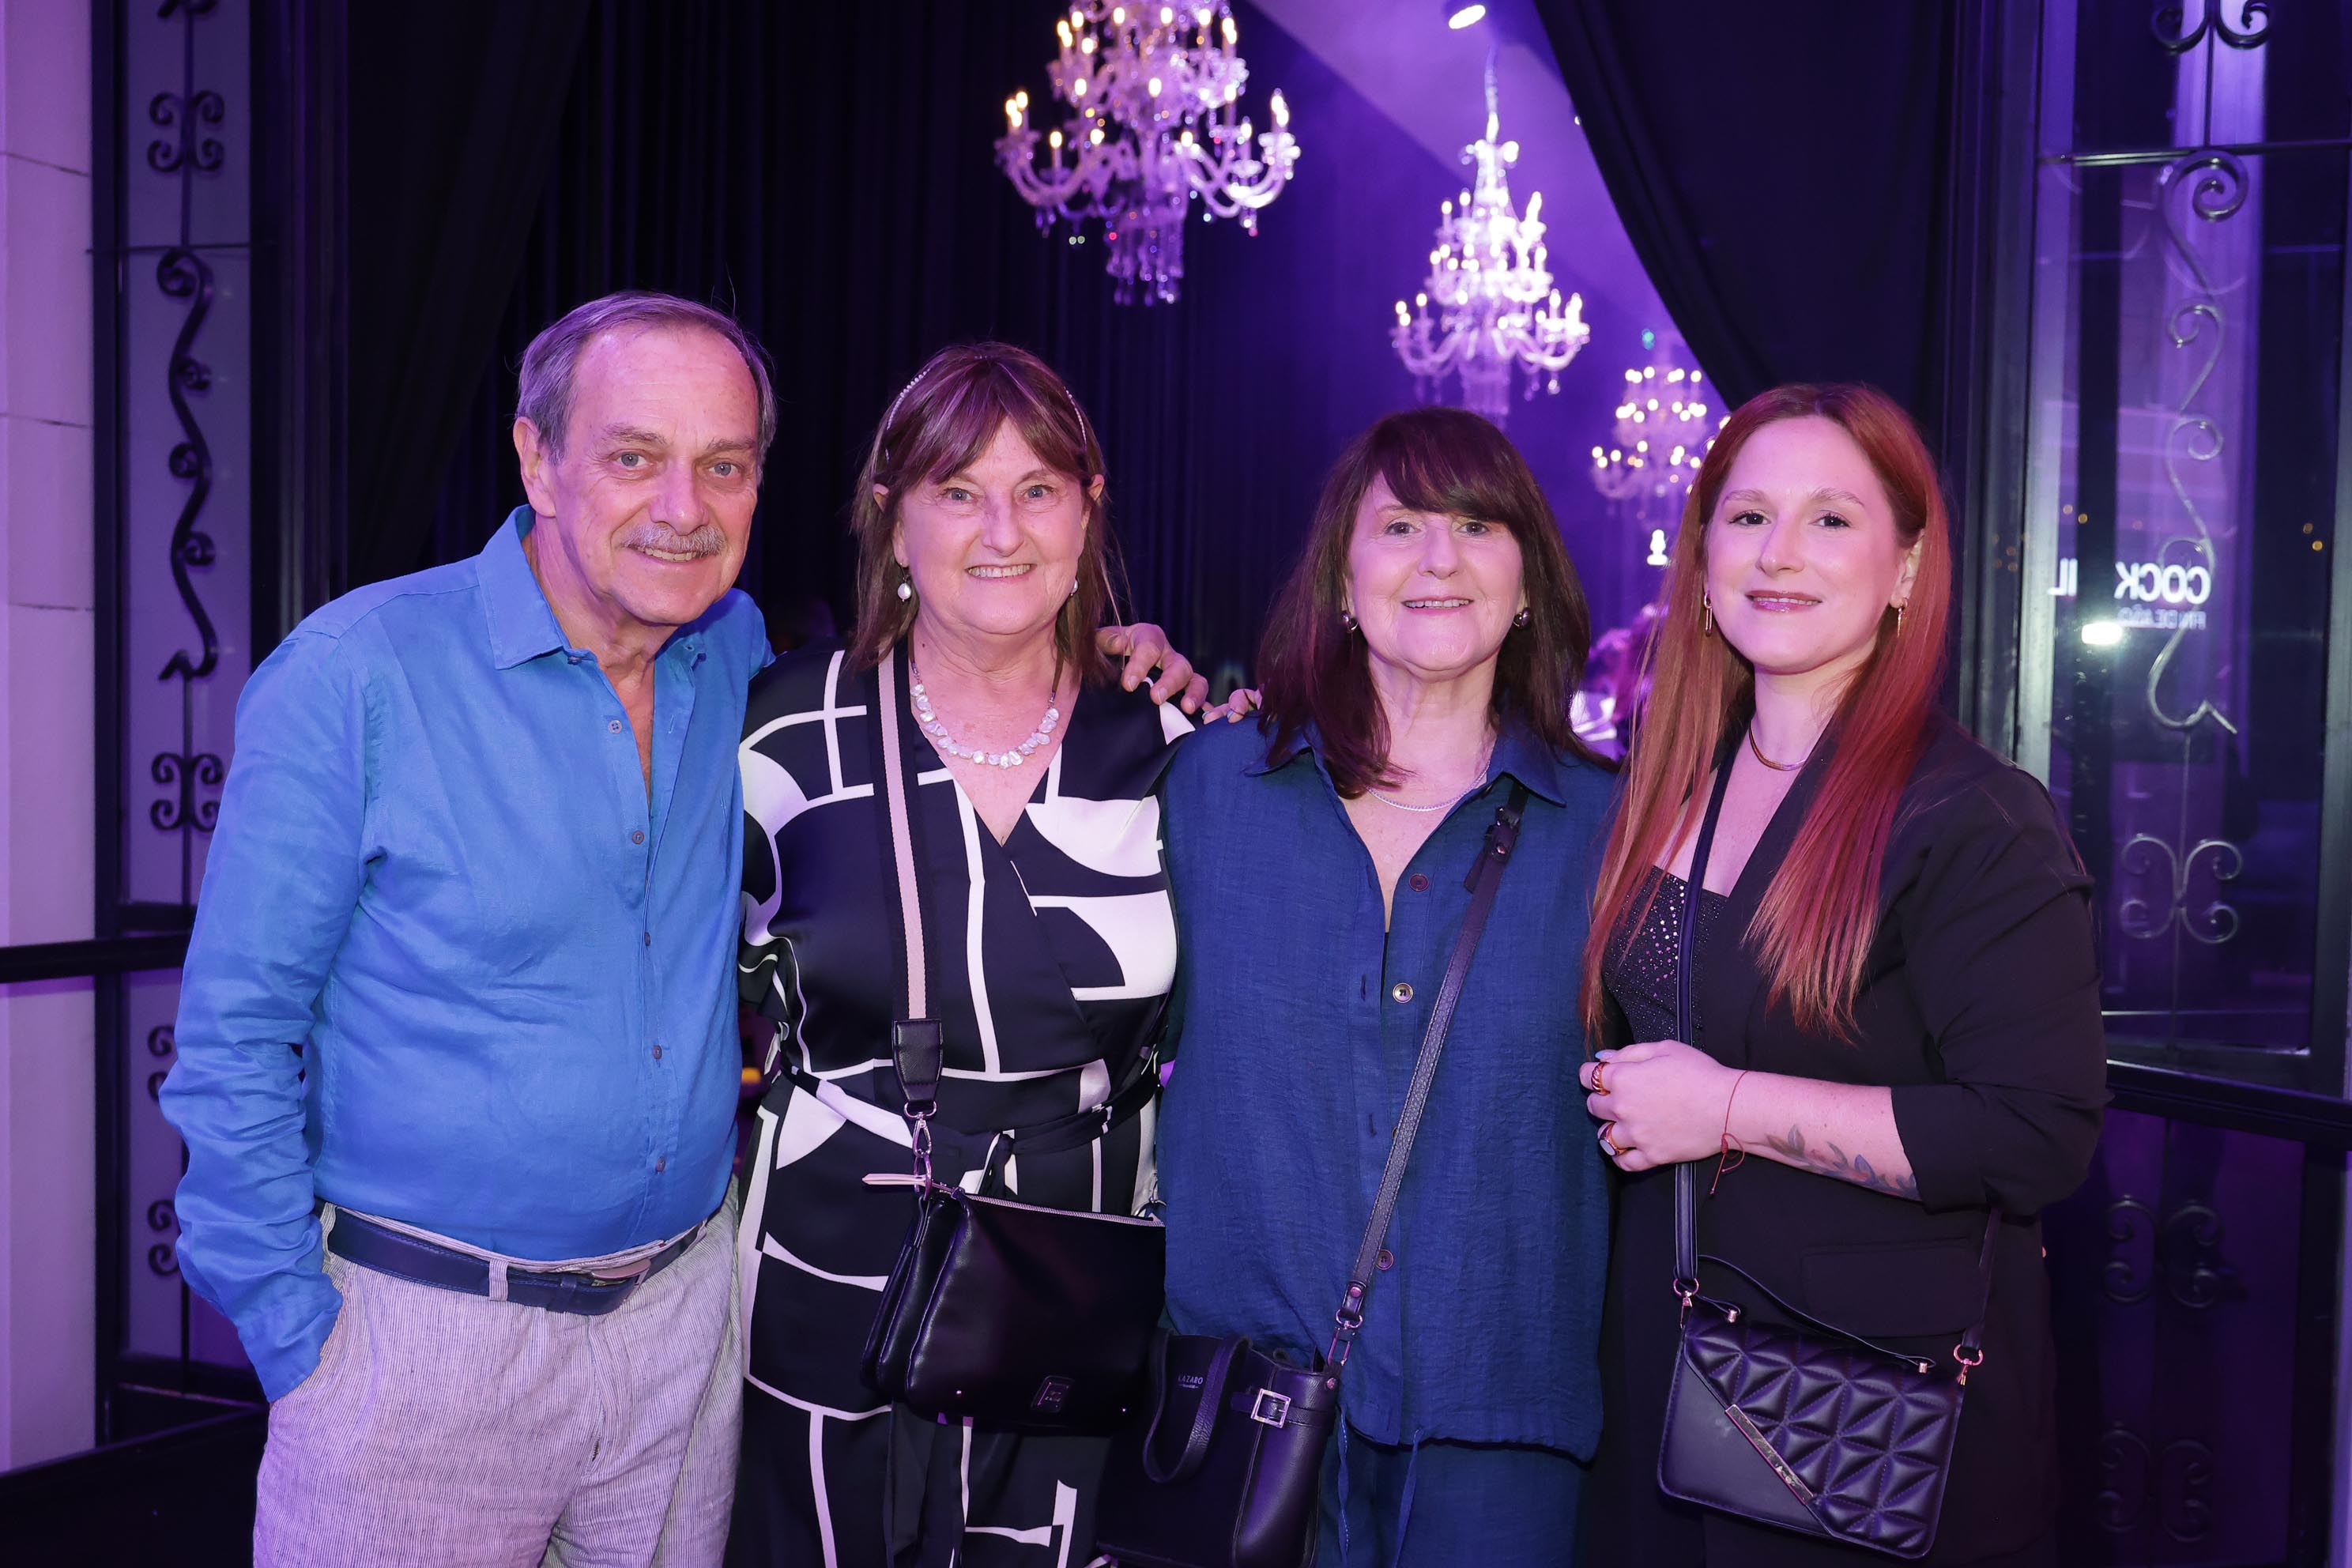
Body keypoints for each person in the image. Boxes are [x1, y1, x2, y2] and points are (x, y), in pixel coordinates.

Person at [160, 293, 1208, 1568]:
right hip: (427, 1339)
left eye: (724, 465)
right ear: (536, 458)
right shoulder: (359, 674)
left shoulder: (734, 670)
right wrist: (301, 1344)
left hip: (685, 1331)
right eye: (633, 455)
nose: (682, 506)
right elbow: (233, 1039)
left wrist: (1118, 654)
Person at [1579, 383, 2107, 1566]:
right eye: (1748, 516)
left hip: (1858, 1421)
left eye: (1831, 519)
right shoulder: (1670, 783)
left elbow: (2036, 1135)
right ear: (1702, 557)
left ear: (1905, 567)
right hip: (1661, 1377)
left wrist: (1725, 1107)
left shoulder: (1972, 818)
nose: (1780, 554)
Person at [729, 343, 1195, 1566]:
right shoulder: (780, 732)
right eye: (958, 491)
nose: (1001, 530)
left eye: (1038, 490)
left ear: (1088, 512)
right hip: (832, 1267)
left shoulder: (1173, 745)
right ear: (893, 517)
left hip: (1080, 1275)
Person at [1156, 407, 1617, 1567]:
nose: (1440, 558)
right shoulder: (1205, 788)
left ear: (1529, 585)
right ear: (1342, 581)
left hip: (1499, 1438)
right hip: (1241, 1419)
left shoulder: (1614, 829)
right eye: (1402, 525)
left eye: (1478, 526)